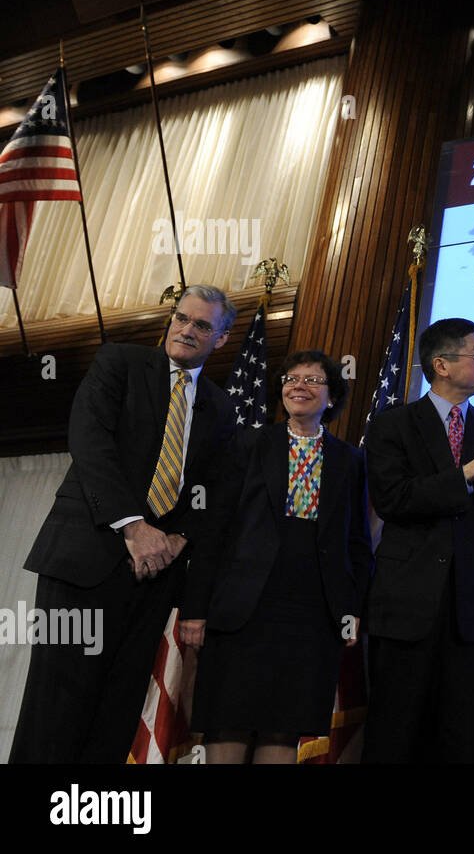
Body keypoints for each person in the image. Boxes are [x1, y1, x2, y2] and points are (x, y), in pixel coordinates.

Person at [10, 284, 237, 763]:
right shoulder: (120, 362)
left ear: (221, 338)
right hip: (84, 560)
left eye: (202, 325)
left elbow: (215, 490)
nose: (187, 330)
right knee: (55, 710)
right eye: (181, 318)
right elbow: (89, 441)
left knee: (115, 713)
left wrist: (179, 539)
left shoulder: (220, 406)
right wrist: (134, 527)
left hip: (154, 576)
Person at [180, 350, 373, 764]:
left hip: (311, 613)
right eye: (291, 378)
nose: (299, 385)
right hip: (242, 607)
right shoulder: (247, 444)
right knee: (228, 721)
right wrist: (195, 609)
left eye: (313, 380)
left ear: (332, 395)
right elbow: (214, 531)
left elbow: (357, 543)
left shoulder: (350, 460)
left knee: (284, 726)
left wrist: (352, 610)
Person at [362, 318, 474, 763]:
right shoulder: (392, 425)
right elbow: (395, 499)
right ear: (442, 365)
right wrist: (468, 473)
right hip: (405, 602)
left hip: (469, 606)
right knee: (394, 729)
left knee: (460, 732)